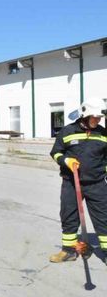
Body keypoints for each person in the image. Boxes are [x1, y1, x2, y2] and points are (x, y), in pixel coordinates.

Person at [49, 98, 107, 263]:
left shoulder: (104, 134)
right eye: (94, 117)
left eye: (99, 117)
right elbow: (56, 152)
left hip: (97, 184)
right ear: (84, 116)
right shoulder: (67, 131)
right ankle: (69, 251)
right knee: (69, 215)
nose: (98, 120)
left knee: (104, 217)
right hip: (71, 183)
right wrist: (66, 161)